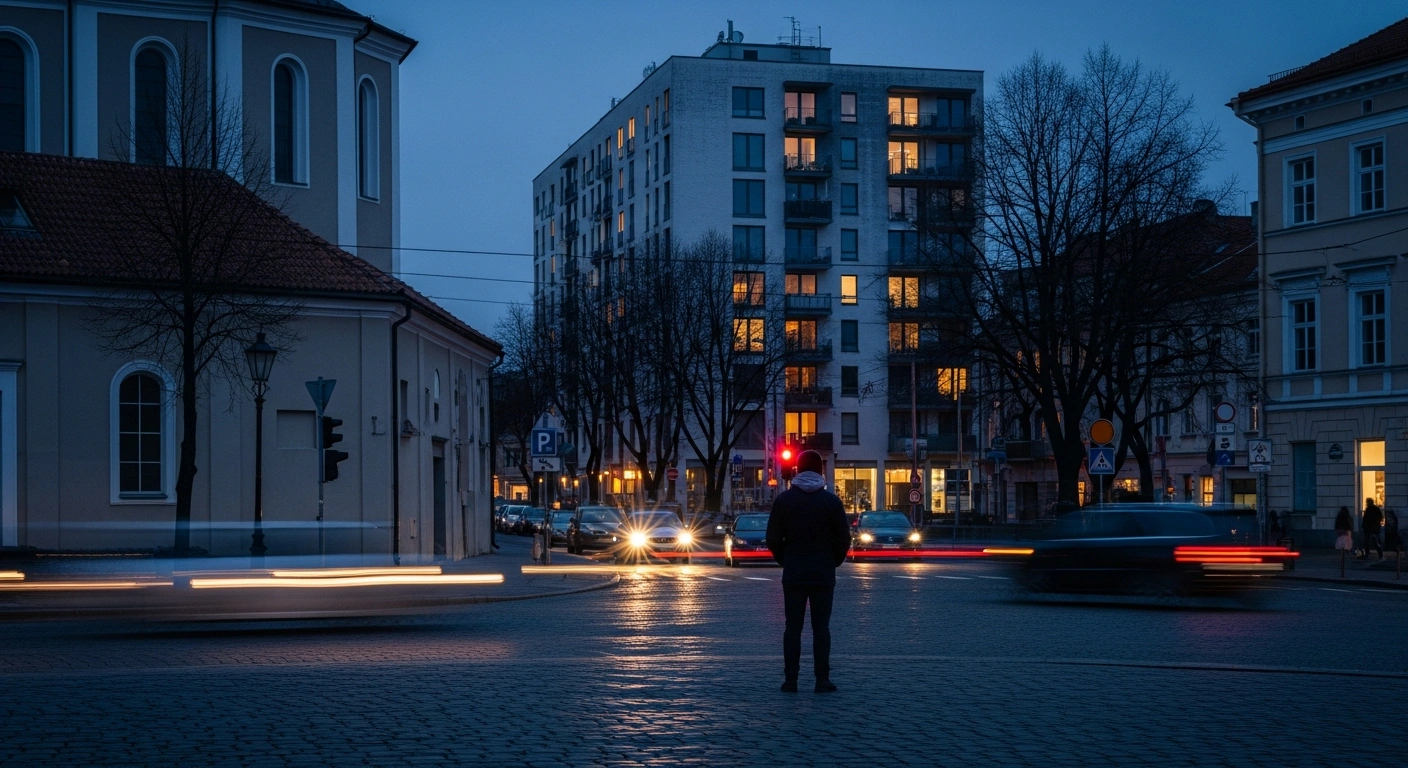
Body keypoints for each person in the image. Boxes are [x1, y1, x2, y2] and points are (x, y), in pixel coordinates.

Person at [766, 450, 850, 694]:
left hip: (794, 572)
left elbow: (772, 538)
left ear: (797, 470)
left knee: (793, 627)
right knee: (821, 628)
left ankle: (790, 680)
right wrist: (832, 560)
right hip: (823, 572)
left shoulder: (784, 501)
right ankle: (822, 679)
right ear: (821, 471)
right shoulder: (831, 502)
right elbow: (843, 538)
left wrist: (786, 559)